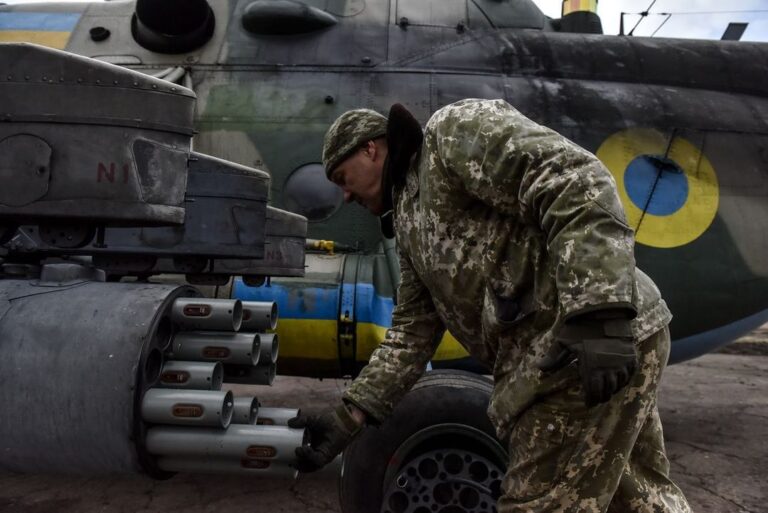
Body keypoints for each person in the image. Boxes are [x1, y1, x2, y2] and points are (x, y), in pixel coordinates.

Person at [288, 99, 692, 512]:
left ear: (370, 148)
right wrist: (347, 419)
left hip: (576, 346)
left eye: (343, 176)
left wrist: (598, 311)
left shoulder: (450, 136)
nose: (345, 194)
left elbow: (572, 177)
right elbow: (411, 334)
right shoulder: (409, 222)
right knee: (638, 500)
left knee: (535, 503)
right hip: (572, 353)